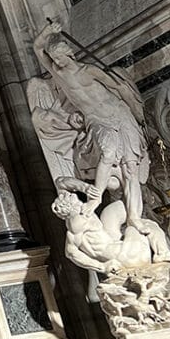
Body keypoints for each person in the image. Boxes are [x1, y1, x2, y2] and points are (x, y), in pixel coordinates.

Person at [34, 21, 149, 233]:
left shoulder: (90, 70)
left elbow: (117, 86)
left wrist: (136, 110)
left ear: (68, 54)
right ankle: (95, 197)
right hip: (97, 120)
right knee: (108, 152)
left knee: (131, 167)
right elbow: (37, 48)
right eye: (54, 58)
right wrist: (48, 32)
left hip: (119, 114)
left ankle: (134, 217)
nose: (56, 61)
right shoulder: (59, 74)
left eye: (58, 57)